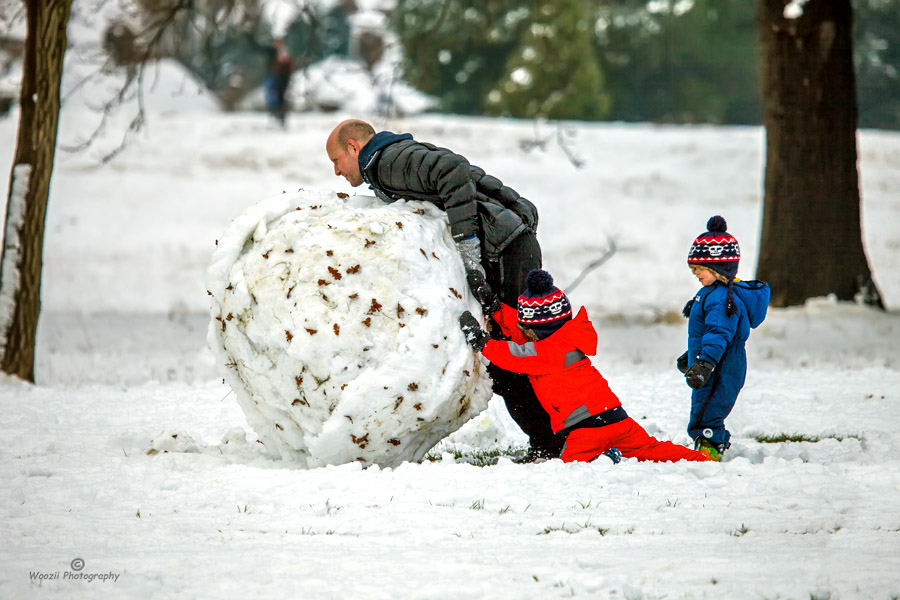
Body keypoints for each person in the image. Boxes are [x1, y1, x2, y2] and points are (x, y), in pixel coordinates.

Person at [325, 119, 565, 460]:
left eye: (335, 160)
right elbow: (464, 174)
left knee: (512, 353)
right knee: (518, 349)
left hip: (506, 251)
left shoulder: (387, 162)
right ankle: (565, 434)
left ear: (353, 147)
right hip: (511, 246)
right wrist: (519, 210)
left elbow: (452, 170)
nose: (336, 171)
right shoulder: (394, 157)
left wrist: (470, 252)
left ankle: (554, 441)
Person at [458, 269, 712, 464]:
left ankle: (604, 456)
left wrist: (483, 342)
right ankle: (701, 461)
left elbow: (516, 354)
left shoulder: (545, 352)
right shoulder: (566, 337)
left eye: (528, 330)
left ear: (541, 329)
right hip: (616, 417)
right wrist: (495, 307)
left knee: (567, 467)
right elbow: (526, 331)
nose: (524, 333)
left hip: (586, 429)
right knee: (651, 449)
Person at [677, 216, 770, 461]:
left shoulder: (721, 299)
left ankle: (710, 448)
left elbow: (719, 333)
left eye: (700, 269)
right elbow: (709, 332)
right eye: (693, 269)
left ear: (719, 269)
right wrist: (693, 355)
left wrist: (706, 362)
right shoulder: (712, 293)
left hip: (721, 364)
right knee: (704, 406)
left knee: (707, 410)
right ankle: (707, 443)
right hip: (718, 360)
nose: (696, 274)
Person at [265, 39, 293, 126]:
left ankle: (281, 117)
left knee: (279, 98)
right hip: (277, 79)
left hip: (282, 79)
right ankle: (276, 115)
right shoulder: (273, 53)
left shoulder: (283, 53)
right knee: (274, 97)